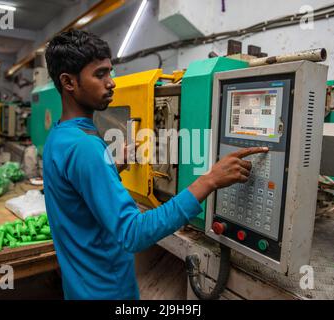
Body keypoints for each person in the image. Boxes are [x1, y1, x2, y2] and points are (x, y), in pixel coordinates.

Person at [43, 29, 268, 300]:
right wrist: (209, 180)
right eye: (100, 74)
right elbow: (133, 233)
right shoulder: (86, 147)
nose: (111, 83)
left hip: (79, 288)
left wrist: (111, 169)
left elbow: (76, 195)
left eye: (109, 72)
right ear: (68, 82)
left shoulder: (59, 136)